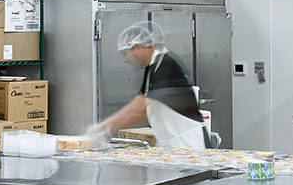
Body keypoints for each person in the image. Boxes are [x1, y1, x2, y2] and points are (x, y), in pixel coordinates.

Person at [86, 21, 213, 150]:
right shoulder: (153, 66)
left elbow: (140, 111)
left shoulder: (167, 65)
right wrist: (104, 126)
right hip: (173, 147)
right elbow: (138, 102)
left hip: (190, 145)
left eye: (125, 54)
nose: (125, 60)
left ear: (137, 47)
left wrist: (104, 129)